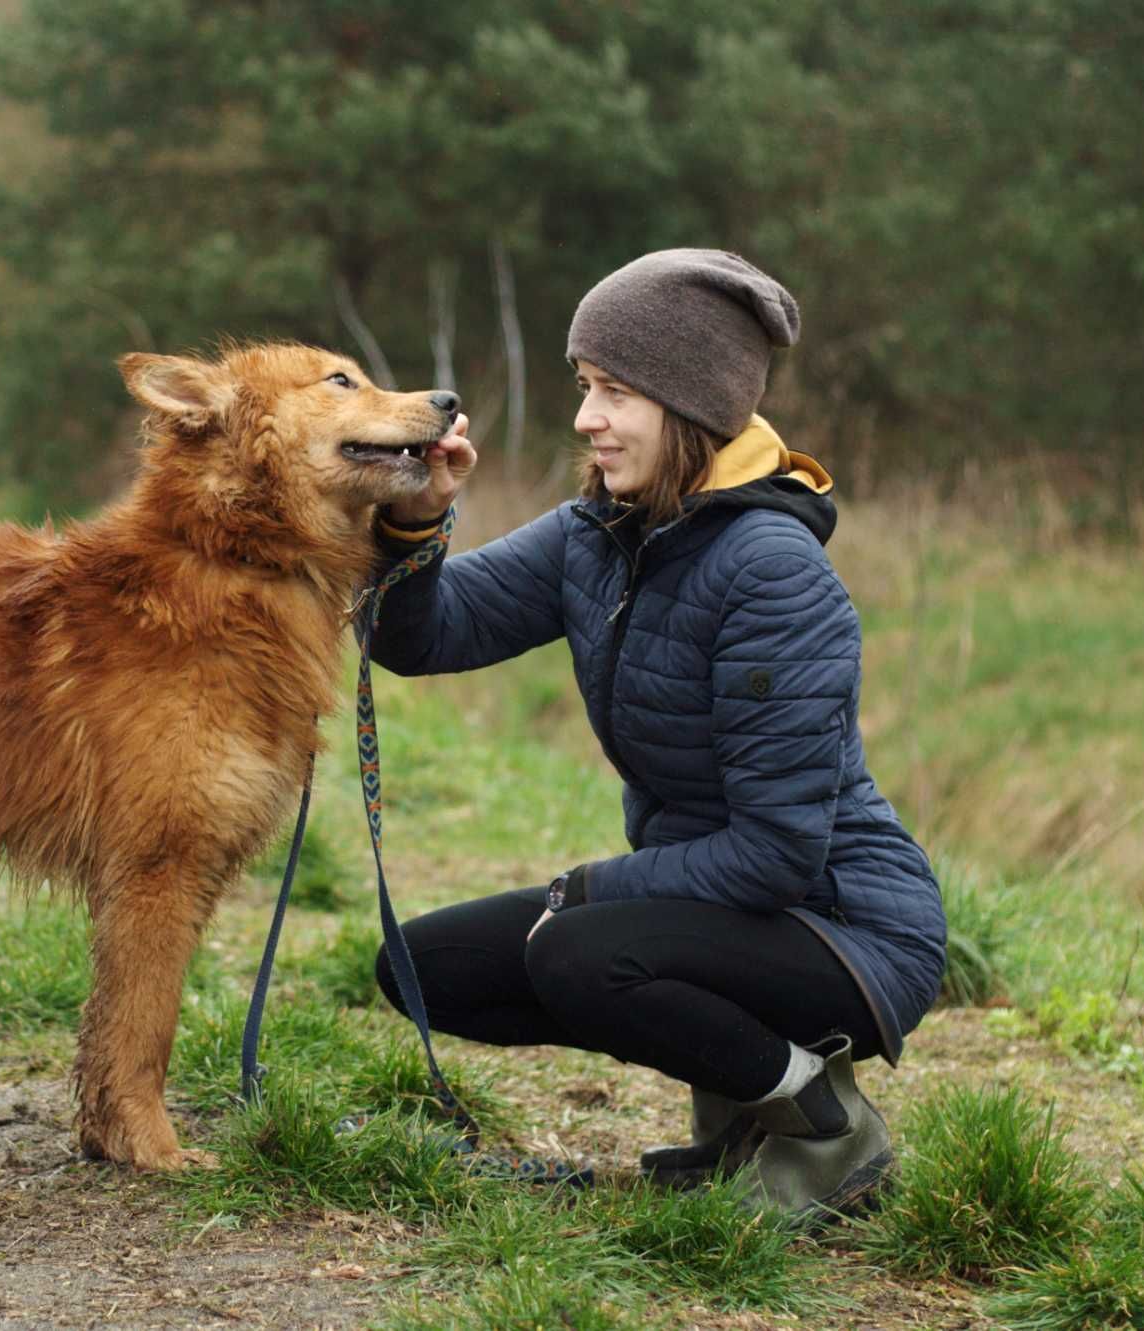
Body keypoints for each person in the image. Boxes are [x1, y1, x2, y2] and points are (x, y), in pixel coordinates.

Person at [365, 249, 946, 1220]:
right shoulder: (597, 532)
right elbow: (420, 637)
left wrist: (583, 889)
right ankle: (738, 1116)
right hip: (716, 900)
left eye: (614, 392)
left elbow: (773, 854)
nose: (586, 417)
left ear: (691, 404)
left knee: (575, 949)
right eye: (585, 387)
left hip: (841, 926)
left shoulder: (770, 571)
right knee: (420, 969)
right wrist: (415, 523)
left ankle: (824, 1122)